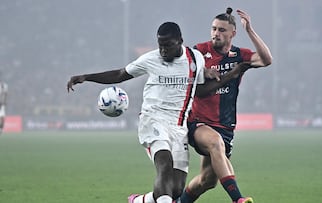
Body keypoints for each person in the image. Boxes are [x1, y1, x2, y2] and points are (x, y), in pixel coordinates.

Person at [66, 22, 250, 203]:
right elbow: (120, 74)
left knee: (176, 189)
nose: (163, 51)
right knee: (164, 165)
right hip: (153, 120)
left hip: (178, 127)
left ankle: (139, 201)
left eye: (168, 46)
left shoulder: (195, 59)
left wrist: (229, 75)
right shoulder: (151, 59)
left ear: (180, 41)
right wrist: (86, 77)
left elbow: (200, 90)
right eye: (160, 46)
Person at [177, 8, 272, 203]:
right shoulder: (200, 52)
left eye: (221, 30)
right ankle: (238, 199)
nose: (216, 34)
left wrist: (250, 30)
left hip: (226, 126)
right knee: (214, 142)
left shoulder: (239, 55)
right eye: (213, 29)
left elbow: (266, 60)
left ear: (232, 34)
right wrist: (210, 71)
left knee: (207, 181)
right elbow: (198, 88)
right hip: (199, 123)